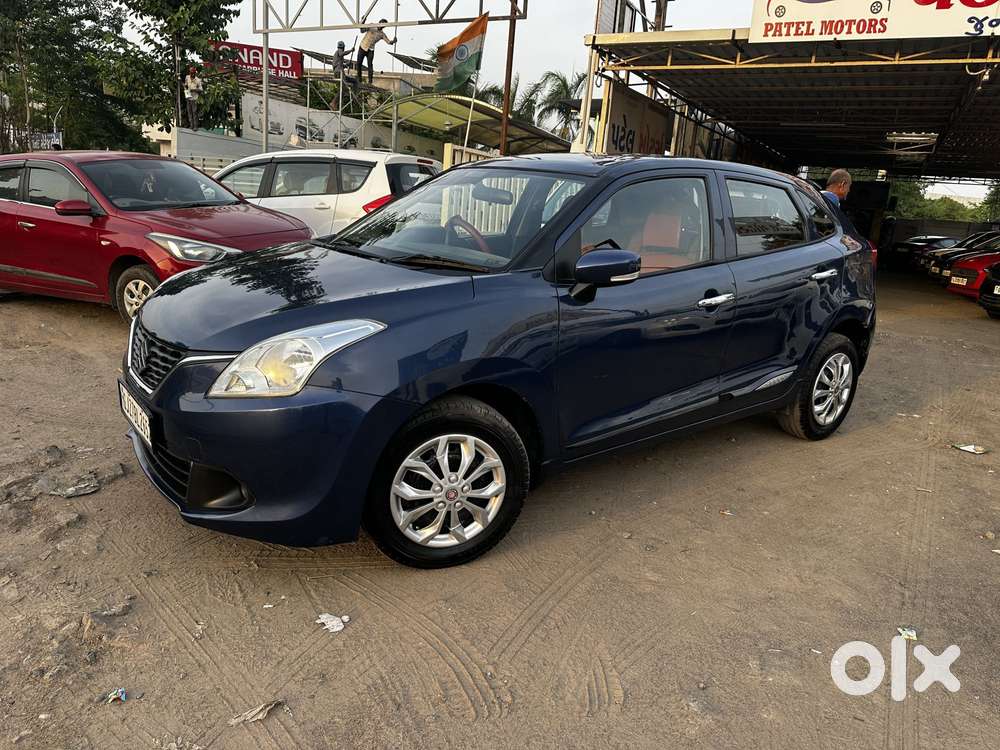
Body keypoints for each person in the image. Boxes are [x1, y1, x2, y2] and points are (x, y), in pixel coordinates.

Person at [357, 19, 396, 85]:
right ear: (379, 22)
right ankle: (359, 79)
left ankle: (370, 82)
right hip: (363, 46)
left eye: (384, 26)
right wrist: (362, 22)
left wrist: (393, 41)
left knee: (370, 65)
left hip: (371, 50)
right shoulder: (372, 25)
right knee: (359, 63)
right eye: (382, 24)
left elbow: (388, 42)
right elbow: (362, 30)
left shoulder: (382, 34)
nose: (382, 26)